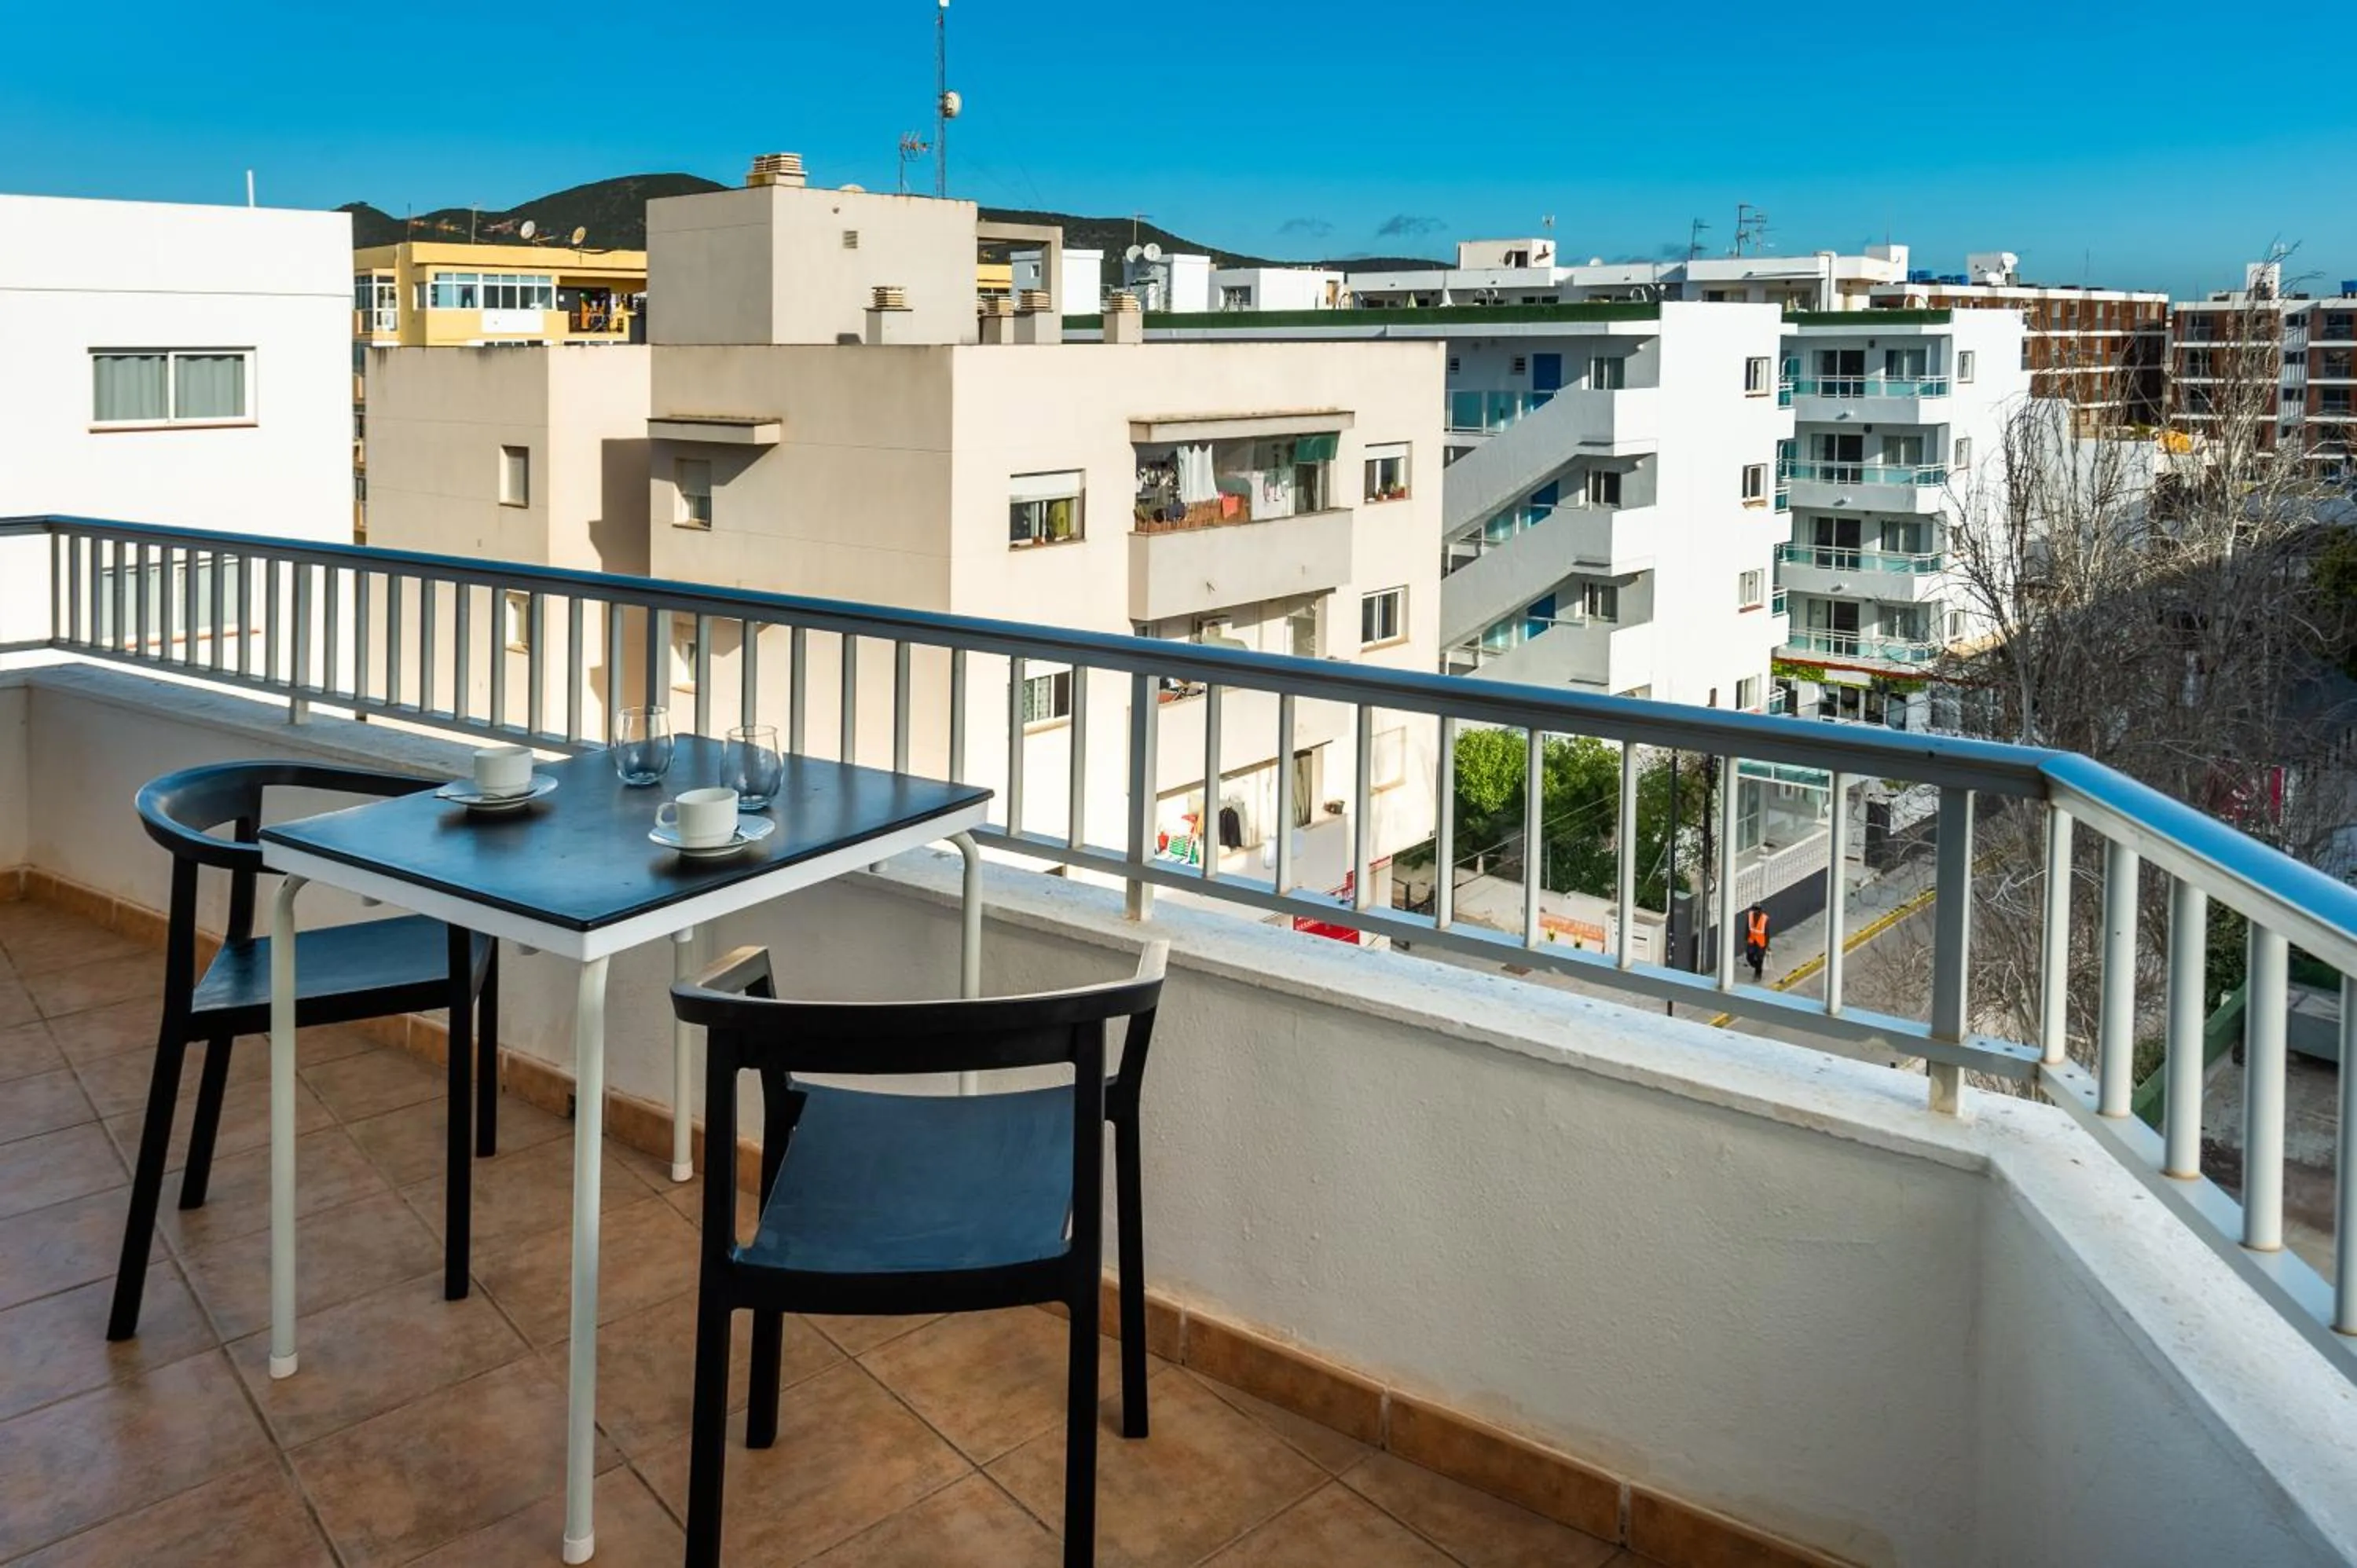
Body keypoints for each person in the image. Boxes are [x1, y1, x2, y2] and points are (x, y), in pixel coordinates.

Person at [1743, 903, 1771, 982]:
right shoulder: (1750, 916)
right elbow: (1747, 927)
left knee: (1760, 958)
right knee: (1749, 957)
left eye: (1756, 911)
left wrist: (1767, 945)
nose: (1755, 913)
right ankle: (1757, 966)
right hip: (1751, 940)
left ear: (1760, 911)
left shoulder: (1765, 919)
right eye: (1753, 911)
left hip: (1761, 942)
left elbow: (1767, 934)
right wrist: (1746, 938)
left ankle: (1758, 974)